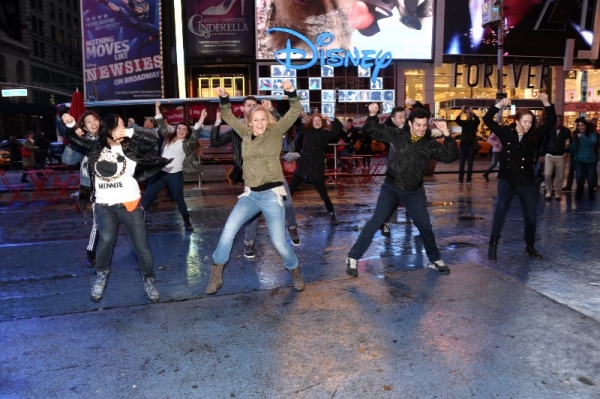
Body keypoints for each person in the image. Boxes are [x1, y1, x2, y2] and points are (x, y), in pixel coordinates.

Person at [206, 81, 304, 295]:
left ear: (267, 120)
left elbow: (295, 110)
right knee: (228, 231)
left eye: (262, 119)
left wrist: (291, 93)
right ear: (249, 122)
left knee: (279, 242)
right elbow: (229, 116)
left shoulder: (275, 132)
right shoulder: (244, 133)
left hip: (271, 195)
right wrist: (224, 99)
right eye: (255, 120)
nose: (259, 124)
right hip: (251, 195)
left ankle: (294, 269)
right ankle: (216, 272)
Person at [62, 112, 171, 302]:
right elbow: (71, 138)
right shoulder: (95, 147)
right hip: (104, 204)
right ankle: (101, 275)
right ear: (108, 128)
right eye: (117, 125)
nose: (121, 128)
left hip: (130, 204)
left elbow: (153, 140)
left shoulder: (130, 147)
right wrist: (70, 123)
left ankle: (149, 280)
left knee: (142, 247)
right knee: (105, 240)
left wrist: (128, 131)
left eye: (123, 125)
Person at [346, 103, 458, 277]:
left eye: (424, 125)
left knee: (425, 226)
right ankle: (353, 257)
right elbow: (373, 131)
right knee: (376, 221)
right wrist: (373, 114)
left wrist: (447, 135)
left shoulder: (429, 143)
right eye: (418, 125)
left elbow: (450, 156)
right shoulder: (397, 135)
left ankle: (435, 260)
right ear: (410, 124)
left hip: (413, 191)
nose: (421, 129)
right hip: (391, 187)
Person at [211, 96, 302, 256]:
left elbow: (286, 124)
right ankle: (249, 243)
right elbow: (217, 139)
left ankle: (292, 227)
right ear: (245, 109)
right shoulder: (240, 129)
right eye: (249, 105)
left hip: (273, 175)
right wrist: (218, 119)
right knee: (252, 213)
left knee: (287, 203)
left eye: (255, 105)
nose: (252, 107)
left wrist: (272, 109)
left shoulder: (269, 128)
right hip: (251, 177)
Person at [482, 93, 556, 262]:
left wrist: (546, 103)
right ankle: (492, 245)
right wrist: (499, 105)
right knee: (500, 210)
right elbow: (487, 119)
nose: (528, 125)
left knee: (531, 217)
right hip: (507, 179)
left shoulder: (533, 135)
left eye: (530, 122)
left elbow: (551, 121)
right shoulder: (505, 133)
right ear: (517, 121)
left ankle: (530, 246)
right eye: (525, 122)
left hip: (526, 180)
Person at [141, 102, 203, 231]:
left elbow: (196, 132)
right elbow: (160, 123)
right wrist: (157, 107)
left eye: (184, 129)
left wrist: (202, 117)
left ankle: (187, 222)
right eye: (179, 128)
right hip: (160, 173)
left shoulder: (187, 143)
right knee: (147, 197)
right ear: (176, 130)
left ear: (187, 133)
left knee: (179, 199)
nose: (181, 131)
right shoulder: (168, 138)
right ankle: (137, 221)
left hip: (175, 175)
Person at [289, 112, 344, 225]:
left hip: (316, 167)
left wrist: (329, 118)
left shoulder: (325, 133)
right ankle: (280, 213)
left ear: (322, 122)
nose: (317, 122)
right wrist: (301, 116)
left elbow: (339, 127)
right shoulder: (306, 131)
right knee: (290, 190)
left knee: (324, 195)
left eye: (319, 121)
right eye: (315, 121)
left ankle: (332, 215)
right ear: (312, 122)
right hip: (303, 165)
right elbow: (297, 123)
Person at [539, 115, 571, 200]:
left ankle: (558, 192)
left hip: (560, 155)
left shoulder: (566, 131)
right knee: (547, 174)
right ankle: (549, 190)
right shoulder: (550, 130)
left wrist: (567, 151)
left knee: (560, 176)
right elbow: (545, 142)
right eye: (557, 121)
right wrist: (542, 154)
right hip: (549, 154)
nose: (559, 123)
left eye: (560, 121)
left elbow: (568, 142)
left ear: (563, 121)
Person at [569, 117, 598, 200]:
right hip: (579, 160)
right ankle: (579, 192)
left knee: (590, 178)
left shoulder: (592, 134)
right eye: (578, 126)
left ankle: (590, 192)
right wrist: (568, 146)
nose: (580, 127)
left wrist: (582, 136)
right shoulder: (576, 135)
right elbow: (573, 148)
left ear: (586, 126)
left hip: (590, 160)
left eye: (582, 125)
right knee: (579, 176)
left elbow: (591, 143)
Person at [455, 105, 480, 184]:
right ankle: (460, 180)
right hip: (463, 145)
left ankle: (468, 180)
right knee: (461, 164)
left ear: (471, 115)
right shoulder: (464, 123)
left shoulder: (474, 123)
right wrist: (461, 111)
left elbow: (478, 120)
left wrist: (472, 111)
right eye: (467, 113)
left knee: (470, 164)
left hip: (470, 145)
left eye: (469, 113)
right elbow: (457, 119)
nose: (468, 114)